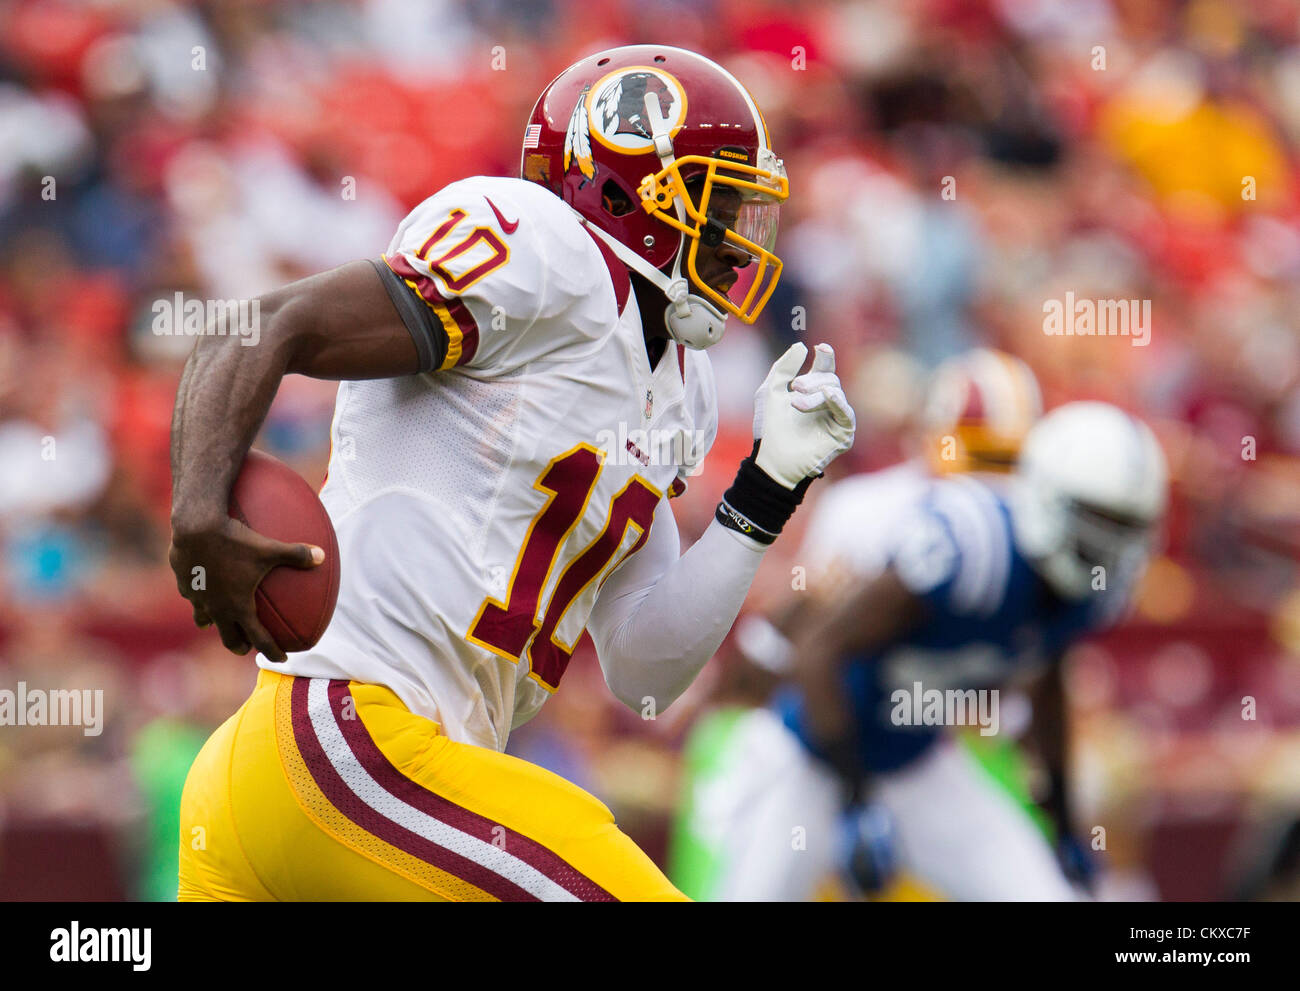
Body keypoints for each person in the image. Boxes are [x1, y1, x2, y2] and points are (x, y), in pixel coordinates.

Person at [168, 45, 855, 901]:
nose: (738, 247)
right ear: (630, 191)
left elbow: (643, 665)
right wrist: (197, 506)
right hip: (347, 746)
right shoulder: (545, 250)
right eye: (719, 206)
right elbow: (261, 324)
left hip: (351, 784)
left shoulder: (681, 387)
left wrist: (766, 490)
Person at [679, 400, 1166, 901]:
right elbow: (820, 650)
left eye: (1123, 527)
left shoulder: (1093, 593)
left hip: (918, 762)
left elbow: (1047, 683)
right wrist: (856, 798)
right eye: (1096, 520)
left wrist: (1063, 822)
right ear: (1047, 496)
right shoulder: (971, 550)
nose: (1107, 546)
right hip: (813, 760)